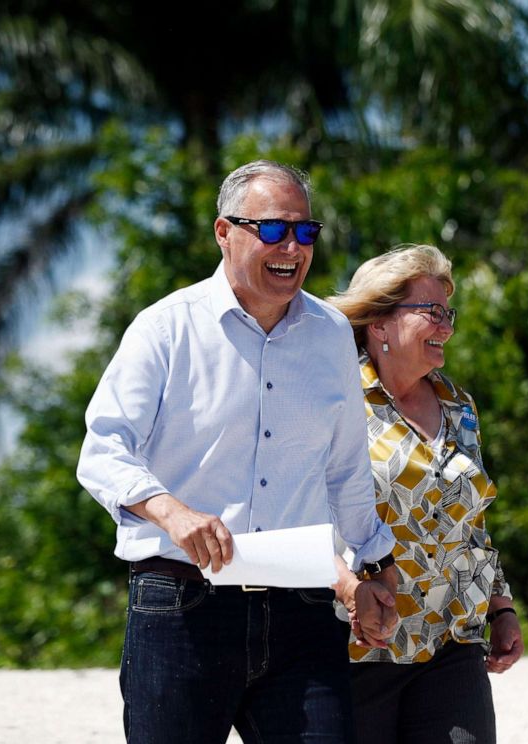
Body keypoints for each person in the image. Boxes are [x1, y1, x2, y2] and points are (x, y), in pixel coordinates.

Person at [77, 160, 399, 744]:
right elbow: (102, 450)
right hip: (180, 607)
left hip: (304, 611)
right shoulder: (164, 328)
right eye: (273, 230)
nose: (292, 248)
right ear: (224, 232)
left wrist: (374, 565)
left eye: (305, 232)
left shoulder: (330, 334)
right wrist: (170, 511)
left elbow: (346, 471)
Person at [328, 244, 523, 744]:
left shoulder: (459, 404)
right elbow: (298, 514)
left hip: (451, 639)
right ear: (380, 324)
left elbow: (471, 520)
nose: (447, 327)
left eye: (448, 313)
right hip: (359, 645)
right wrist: (345, 587)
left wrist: (501, 606)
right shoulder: (336, 398)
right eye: (432, 312)